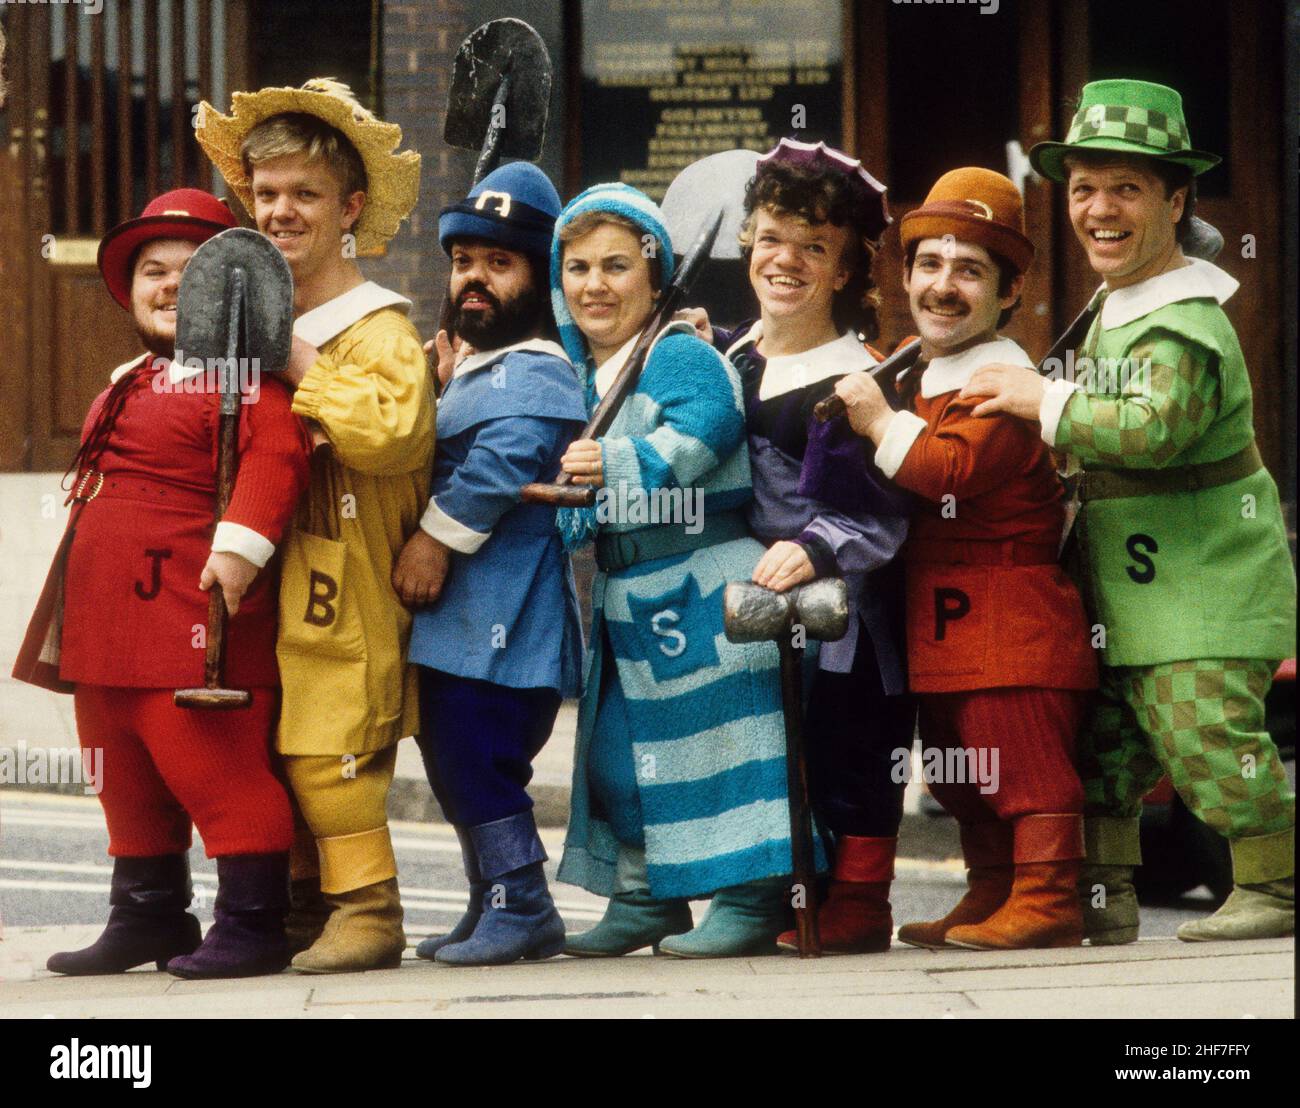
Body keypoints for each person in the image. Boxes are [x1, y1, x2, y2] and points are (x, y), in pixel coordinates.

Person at [960, 79, 1296, 943]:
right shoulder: (1120, 304)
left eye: (1127, 189)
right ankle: (1099, 895)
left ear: (1175, 201)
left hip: (1201, 587)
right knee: (1102, 752)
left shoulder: (1182, 320)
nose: (1098, 210)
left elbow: (1151, 432)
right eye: (1082, 189)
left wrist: (1041, 401)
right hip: (1133, 589)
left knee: (1207, 738)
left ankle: (1281, 885)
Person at [14, 188, 313, 978]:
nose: (172, 284)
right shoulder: (125, 378)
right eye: (154, 270)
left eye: (196, 269)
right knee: (123, 773)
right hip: (105, 623)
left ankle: (253, 921)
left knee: (213, 768)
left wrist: (243, 547)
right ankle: (148, 912)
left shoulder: (247, 380)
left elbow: (276, 458)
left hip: (195, 615)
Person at [196, 78, 435, 972]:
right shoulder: (255, 316)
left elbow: (389, 435)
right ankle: (302, 902)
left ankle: (369, 912)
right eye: (265, 195)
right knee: (272, 738)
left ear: (352, 209)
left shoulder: (376, 331)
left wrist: (291, 356)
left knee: (335, 743)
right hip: (269, 568)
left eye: (305, 195)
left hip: (348, 568)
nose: (281, 212)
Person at [834, 168, 1098, 949]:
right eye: (930, 264)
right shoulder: (916, 366)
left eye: (971, 270)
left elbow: (945, 470)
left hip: (1010, 623)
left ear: (1010, 292)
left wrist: (879, 421)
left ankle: (1048, 898)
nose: (944, 286)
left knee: (1020, 762)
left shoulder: (1007, 383)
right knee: (960, 770)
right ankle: (990, 892)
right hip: (946, 623)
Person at [552, 183, 812, 958]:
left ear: (656, 276)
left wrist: (613, 464)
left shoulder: (678, 354)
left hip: (708, 587)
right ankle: (645, 898)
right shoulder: (584, 378)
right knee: (619, 760)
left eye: (617, 266)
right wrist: (578, 498)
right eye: (577, 267)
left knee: (728, 747)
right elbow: (579, 499)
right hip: (631, 597)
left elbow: (710, 425)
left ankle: (753, 897)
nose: (594, 284)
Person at [710, 139, 914, 954]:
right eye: (770, 238)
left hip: (848, 608)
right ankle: (789, 890)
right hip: (754, 603)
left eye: (814, 246)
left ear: (845, 270)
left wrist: (817, 546)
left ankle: (861, 900)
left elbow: (881, 513)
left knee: (850, 739)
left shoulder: (857, 376)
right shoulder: (729, 355)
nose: (785, 260)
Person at [392, 161, 587, 965]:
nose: (474, 279)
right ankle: (490, 902)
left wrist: (433, 538)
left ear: (538, 278)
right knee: (450, 755)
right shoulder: (473, 365)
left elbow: (501, 463)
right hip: (465, 628)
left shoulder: (537, 365)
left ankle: (523, 904)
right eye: (463, 261)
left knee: (477, 757)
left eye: (498, 264)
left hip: (507, 624)